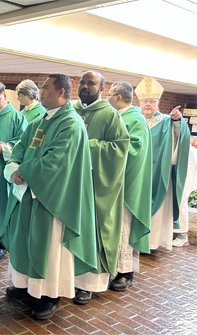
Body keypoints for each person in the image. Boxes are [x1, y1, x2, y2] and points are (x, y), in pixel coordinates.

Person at [2, 74, 96, 320]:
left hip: (53, 199)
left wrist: (23, 170)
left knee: (49, 246)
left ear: (62, 92)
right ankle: (27, 287)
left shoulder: (70, 123)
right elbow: (20, 147)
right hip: (31, 193)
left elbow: (56, 163)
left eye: (45, 88)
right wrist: (12, 167)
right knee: (26, 241)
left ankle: (50, 296)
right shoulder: (38, 121)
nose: (40, 92)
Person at [72, 70, 130, 305]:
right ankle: (66, 280)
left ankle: (87, 285)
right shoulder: (71, 110)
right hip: (71, 184)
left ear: (102, 89)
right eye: (82, 83)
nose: (85, 87)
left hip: (97, 185)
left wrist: (88, 145)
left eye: (91, 83)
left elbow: (120, 148)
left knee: (92, 232)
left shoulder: (110, 115)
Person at [135, 76, 190, 250]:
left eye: (152, 101)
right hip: (137, 171)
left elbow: (179, 139)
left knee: (157, 214)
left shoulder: (166, 120)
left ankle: (152, 242)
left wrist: (177, 122)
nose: (148, 104)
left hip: (157, 172)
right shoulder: (135, 120)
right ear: (139, 102)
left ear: (158, 103)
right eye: (145, 101)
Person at [106, 81, 152, 291]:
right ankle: (112, 266)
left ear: (118, 96)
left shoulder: (135, 120)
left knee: (123, 227)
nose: (107, 97)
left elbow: (134, 151)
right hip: (111, 182)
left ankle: (126, 271)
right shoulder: (118, 117)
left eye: (109, 94)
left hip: (126, 183)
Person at [0, 80, 27, 260]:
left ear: (5, 96)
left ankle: (1, 242)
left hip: (4, 169)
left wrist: (5, 149)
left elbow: (24, 144)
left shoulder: (17, 118)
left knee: (2, 205)